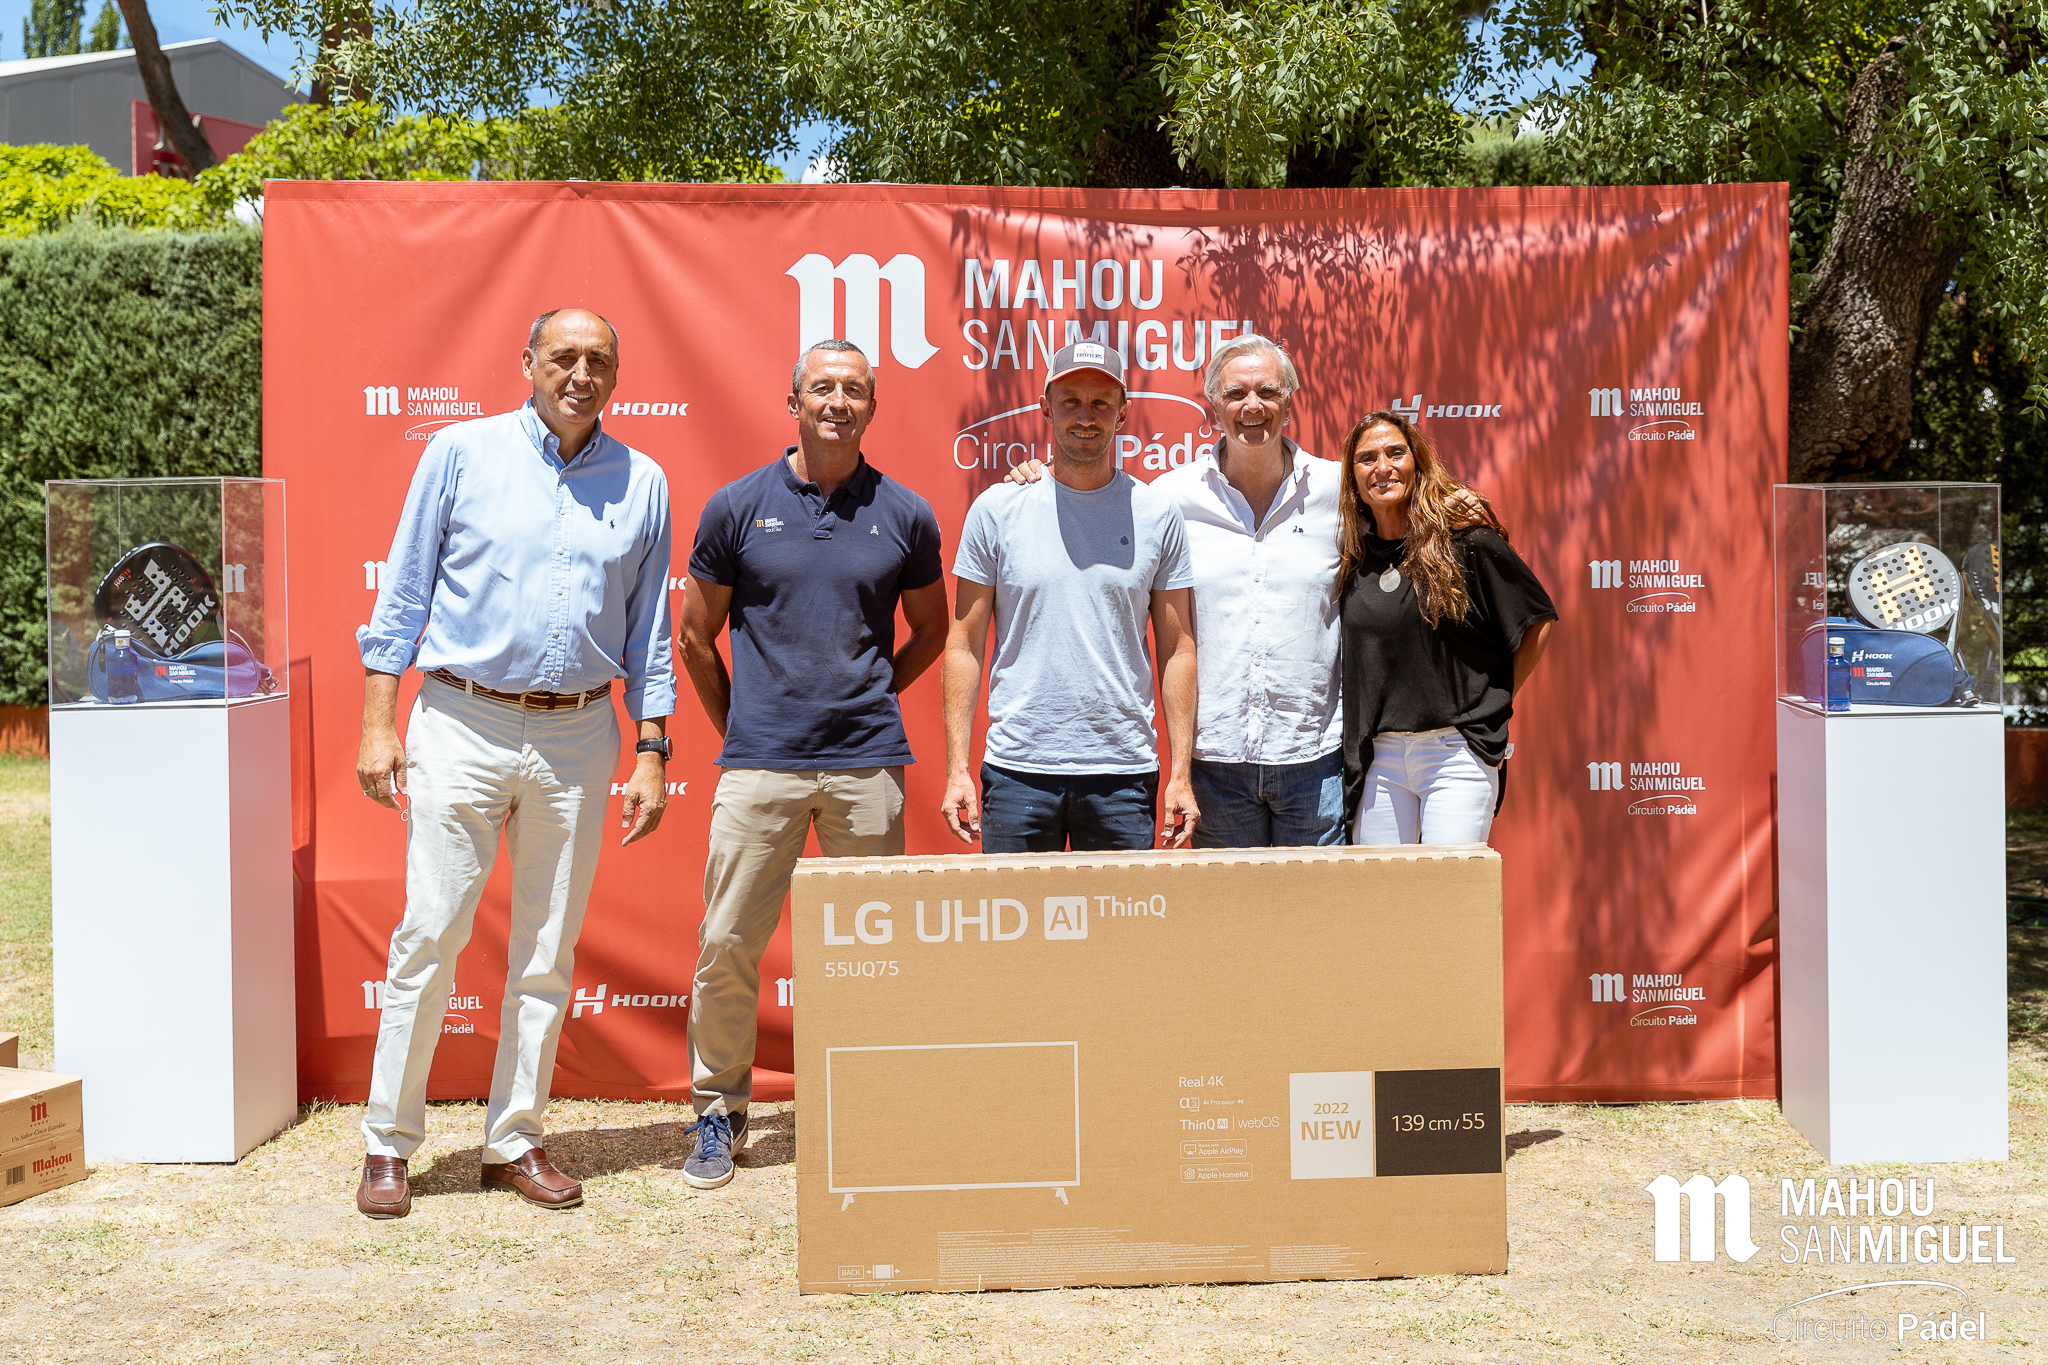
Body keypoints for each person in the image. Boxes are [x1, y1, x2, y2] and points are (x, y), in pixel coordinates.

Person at [353, 308, 675, 1220]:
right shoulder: (459, 452)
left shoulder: (644, 481)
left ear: (617, 375)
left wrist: (653, 747)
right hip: (462, 719)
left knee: (546, 948)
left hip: (580, 733)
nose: (581, 373)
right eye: (563, 356)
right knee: (429, 933)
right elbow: (403, 594)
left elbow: (651, 630)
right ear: (528, 362)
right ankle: (388, 1142)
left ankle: (514, 1139)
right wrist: (378, 723)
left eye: (598, 359)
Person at [677, 339, 947, 1190]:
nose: (838, 401)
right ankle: (718, 1111)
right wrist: (744, 726)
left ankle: (866, 1104)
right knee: (727, 943)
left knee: (874, 952)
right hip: (761, 765)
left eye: (854, 390)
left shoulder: (906, 513)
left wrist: (873, 691)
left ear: (872, 407)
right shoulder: (736, 505)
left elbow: (933, 630)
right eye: (823, 387)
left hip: (867, 767)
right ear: (793, 401)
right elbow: (695, 636)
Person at [941, 341, 1200, 851]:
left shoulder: (1157, 514)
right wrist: (956, 769)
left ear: (1123, 413)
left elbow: (1178, 650)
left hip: (1123, 773)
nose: (1086, 416)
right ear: (1046, 407)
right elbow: (963, 645)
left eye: (1101, 403)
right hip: (1016, 771)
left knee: (1122, 910)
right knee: (1013, 908)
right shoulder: (997, 509)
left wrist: (1181, 774)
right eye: (1071, 402)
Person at [1336, 409, 1556, 844]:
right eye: (1367, 458)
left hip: (1456, 754)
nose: (1383, 467)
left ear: (1417, 462)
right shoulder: (1351, 558)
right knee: (1380, 887)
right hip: (1379, 759)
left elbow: (1537, 621)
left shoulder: (1466, 543)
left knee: (1450, 884)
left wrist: (1496, 700)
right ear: (1352, 477)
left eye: (1396, 453)